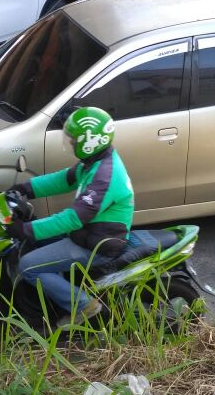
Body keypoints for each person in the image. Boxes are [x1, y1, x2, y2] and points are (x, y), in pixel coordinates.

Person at [8, 107, 134, 326]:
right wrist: (25, 189)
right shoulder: (96, 161)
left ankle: (84, 304)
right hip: (87, 234)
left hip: (96, 245)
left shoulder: (104, 177)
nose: (71, 144)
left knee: (28, 265)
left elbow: (72, 219)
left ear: (90, 141)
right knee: (29, 242)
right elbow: (63, 179)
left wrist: (26, 229)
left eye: (74, 140)